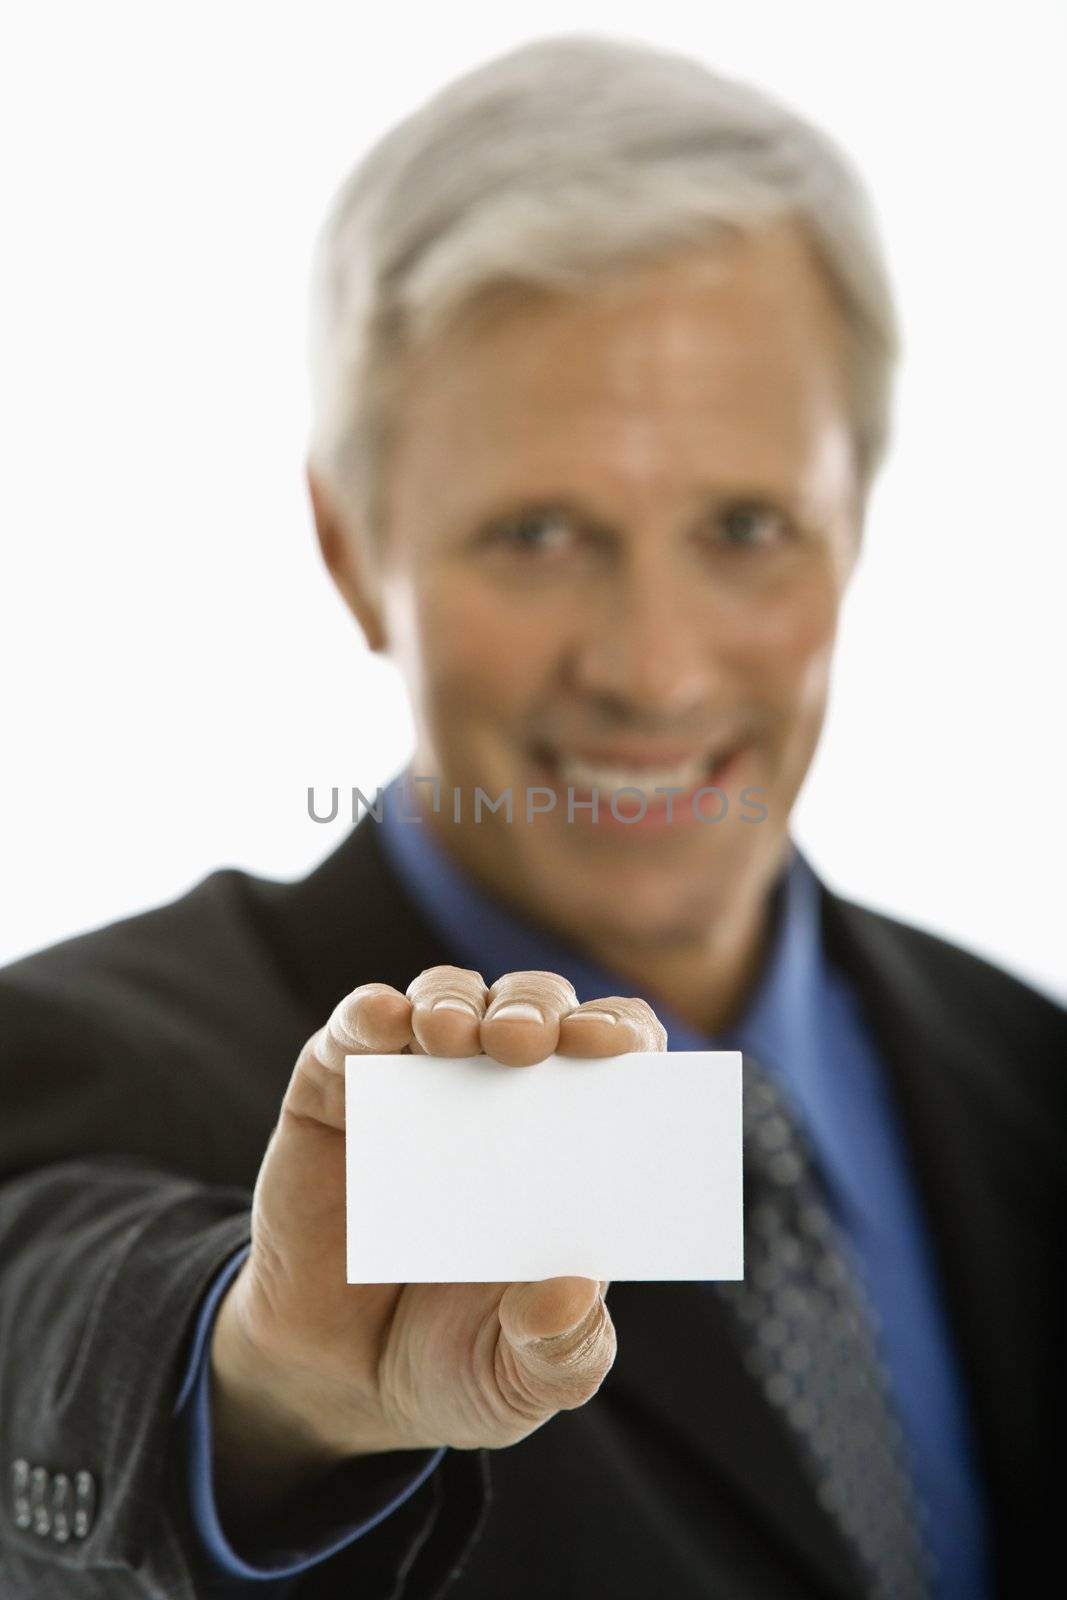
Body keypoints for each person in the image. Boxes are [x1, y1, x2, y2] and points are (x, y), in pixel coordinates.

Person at [1, 31, 1063, 1600]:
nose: (653, 666)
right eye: (541, 532)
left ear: (856, 525)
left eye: (747, 527)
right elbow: (51, 1317)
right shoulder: (80, 1055)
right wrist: (265, 1392)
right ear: (354, 548)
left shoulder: (1030, 1076)